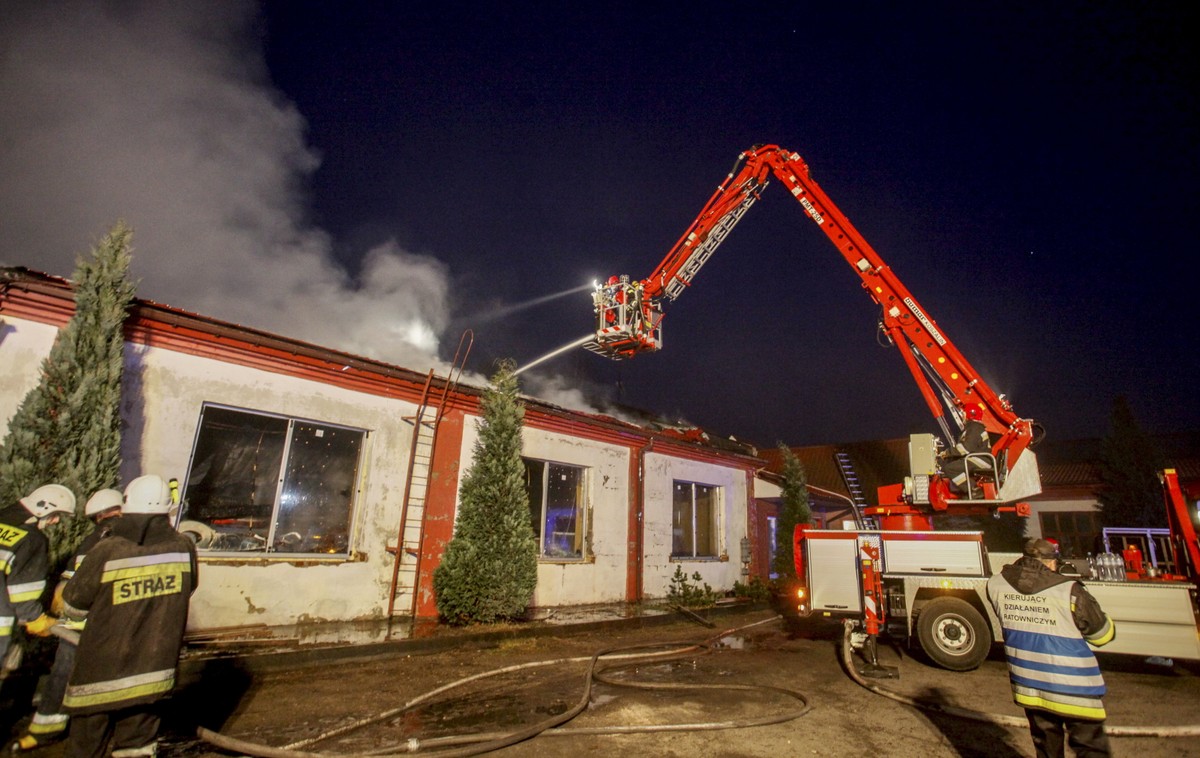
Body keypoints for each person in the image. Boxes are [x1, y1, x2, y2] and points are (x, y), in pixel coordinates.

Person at [60, 475, 198, 758]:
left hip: (98, 676)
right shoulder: (184, 547)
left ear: (127, 507)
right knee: (137, 749)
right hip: (152, 671)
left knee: (85, 749)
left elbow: (73, 606)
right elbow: (189, 588)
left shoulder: (108, 549)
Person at [11, 488, 124, 752]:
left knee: (63, 671)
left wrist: (61, 616)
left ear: (96, 517)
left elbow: (67, 585)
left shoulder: (89, 540)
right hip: (111, 621)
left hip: (77, 620)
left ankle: (43, 731)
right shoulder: (129, 536)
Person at [986, 538, 1116, 758]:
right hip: (1075, 688)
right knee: (1091, 749)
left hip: (1032, 688)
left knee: (1046, 749)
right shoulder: (1069, 589)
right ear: (1050, 563)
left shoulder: (995, 584)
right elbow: (1102, 636)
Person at [1, 484, 76, 673]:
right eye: (55, 515)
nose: (56, 521)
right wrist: (36, 619)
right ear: (44, 508)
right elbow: (22, 595)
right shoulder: (32, 540)